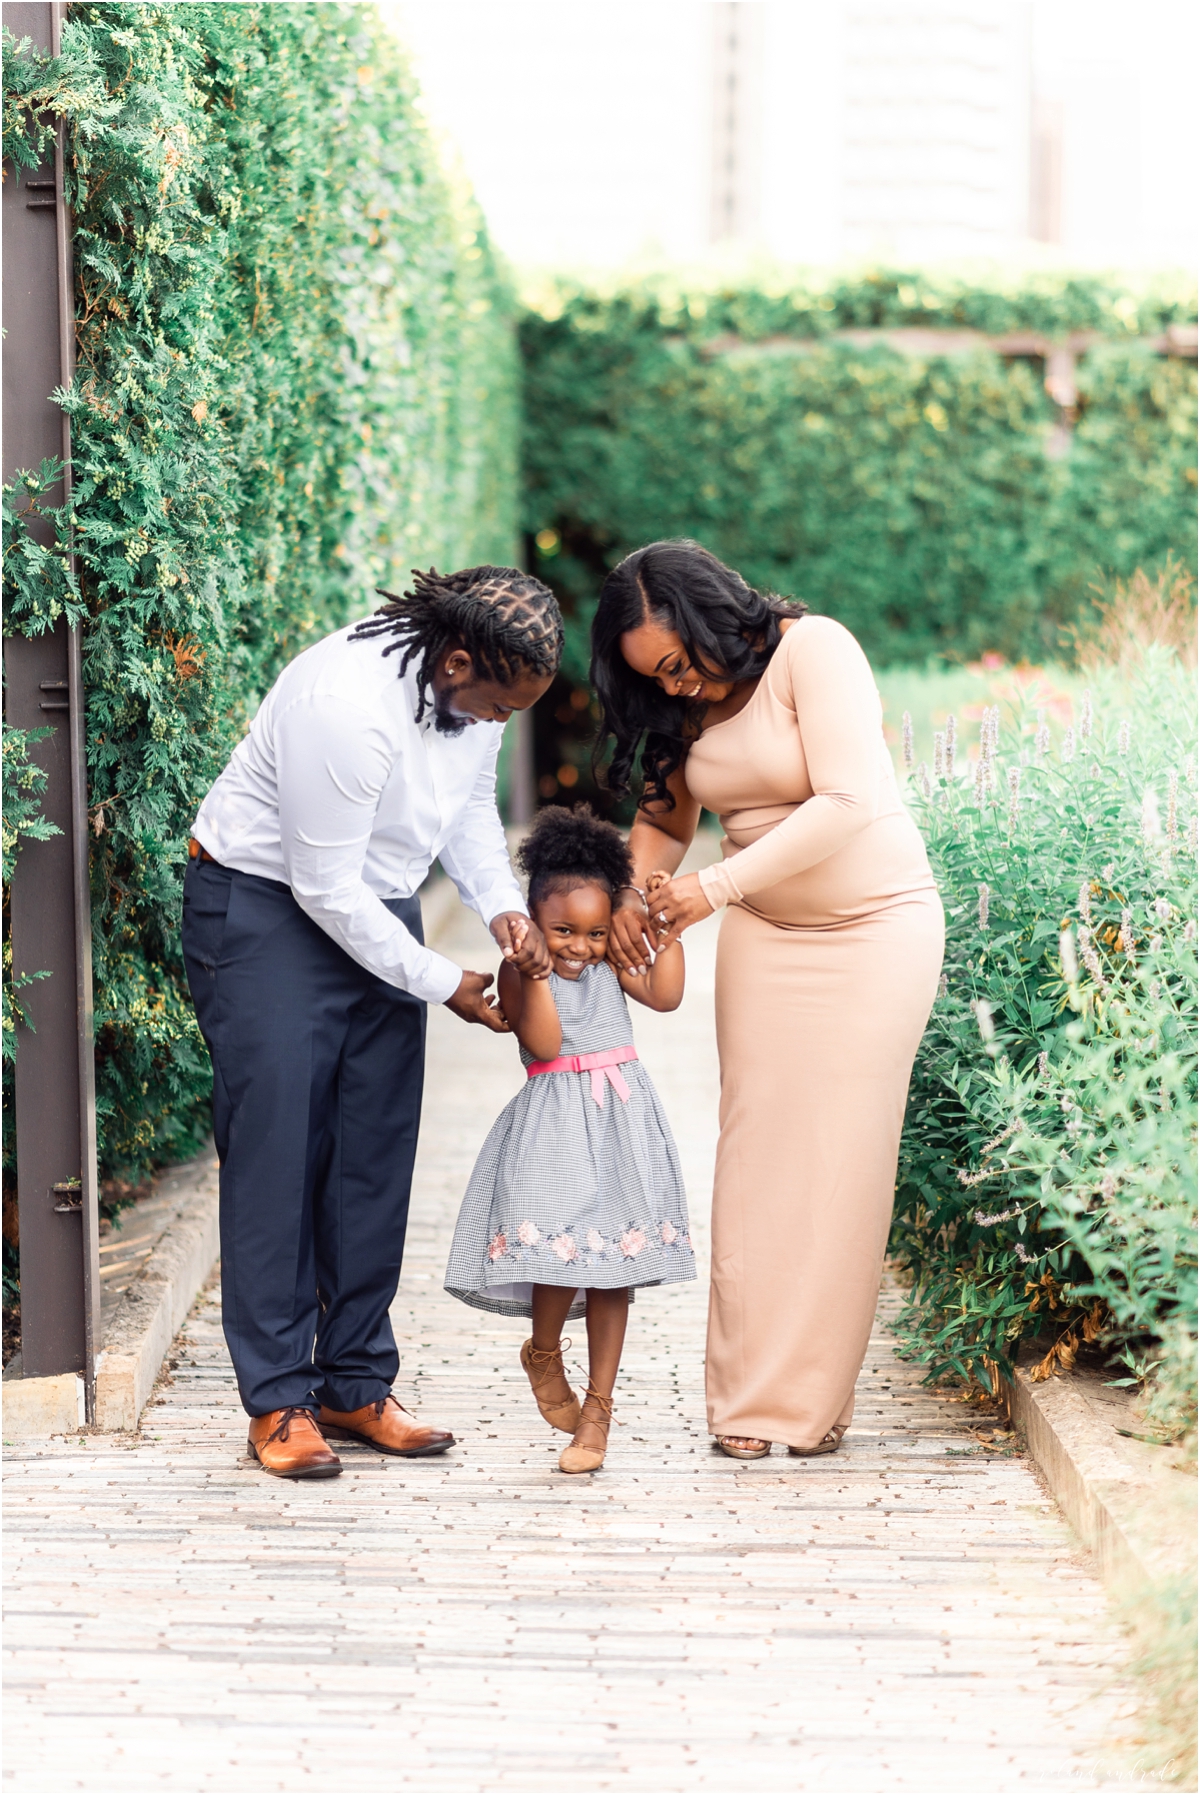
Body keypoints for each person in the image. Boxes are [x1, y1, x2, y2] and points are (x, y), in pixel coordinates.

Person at [183, 565, 562, 1479]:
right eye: (499, 705)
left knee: (371, 1149)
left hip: (376, 903)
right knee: (278, 1154)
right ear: (457, 660)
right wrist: (446, 979)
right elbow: (323, 889)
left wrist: (502, 905)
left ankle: (354, 1383)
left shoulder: (474, 691)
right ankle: (278, 1400)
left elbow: (467, 807)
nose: (503, 723)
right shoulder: (343, 705)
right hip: (265, 905)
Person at [591, 540, 944, 1460]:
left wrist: (713, 889)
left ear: (709, 618)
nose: (672, 688)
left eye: (676, 662)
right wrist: (633, 894)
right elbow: (667, 818)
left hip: (877, 932)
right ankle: (747, 1402)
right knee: (755, 1159)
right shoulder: (685, 706)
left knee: (841, 1163)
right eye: (653, 678)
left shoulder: (813, 650)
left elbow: (847, 800)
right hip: (768, 940)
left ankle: (812, 1403)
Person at [444, 805, 693, 1474]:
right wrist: (534, 966)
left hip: (621, 1121)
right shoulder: (520, 971)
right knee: (559, 1256)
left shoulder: (610, 956)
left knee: (615, 1267)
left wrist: (662, 927)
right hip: (555, 1127)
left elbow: (666, 995)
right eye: (562, 931)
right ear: (528, 917)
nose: (579, 946)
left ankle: (598, 1412)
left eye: (592, 930)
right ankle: (545, 1349)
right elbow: (547, 1041)